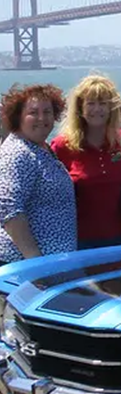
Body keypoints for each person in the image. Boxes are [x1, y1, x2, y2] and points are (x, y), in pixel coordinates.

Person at [51, 75, 121, 251]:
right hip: (79, 241)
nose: (97, 109)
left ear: (111, 108)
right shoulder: (62, 146)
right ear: (80, 108)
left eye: (103, 103)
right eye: (91, 103)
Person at [0, 84, 77, 265]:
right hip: (27, 271)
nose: (41, 118)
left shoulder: (40, 148)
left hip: (51, 267)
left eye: (47, 112)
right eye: (33, 113)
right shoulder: (17, 152)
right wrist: (35, 262)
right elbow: (9, 209)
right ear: (18, 116)